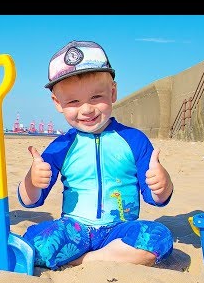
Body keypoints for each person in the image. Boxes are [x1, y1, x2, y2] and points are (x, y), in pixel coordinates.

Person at [17, 40, 174, 270]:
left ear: (113, 92)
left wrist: (163, 183)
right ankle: (104, 257)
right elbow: (30, 201)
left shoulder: (134, 140)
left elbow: (156, 198)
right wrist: (32, 180)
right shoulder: (62, 146)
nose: (87, 109)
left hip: (119, 230)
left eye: (96, 97)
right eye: (73, 101)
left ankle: (83, 260)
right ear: (57, 103)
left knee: (159, 238)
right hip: (75, 228)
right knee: (33, 242)